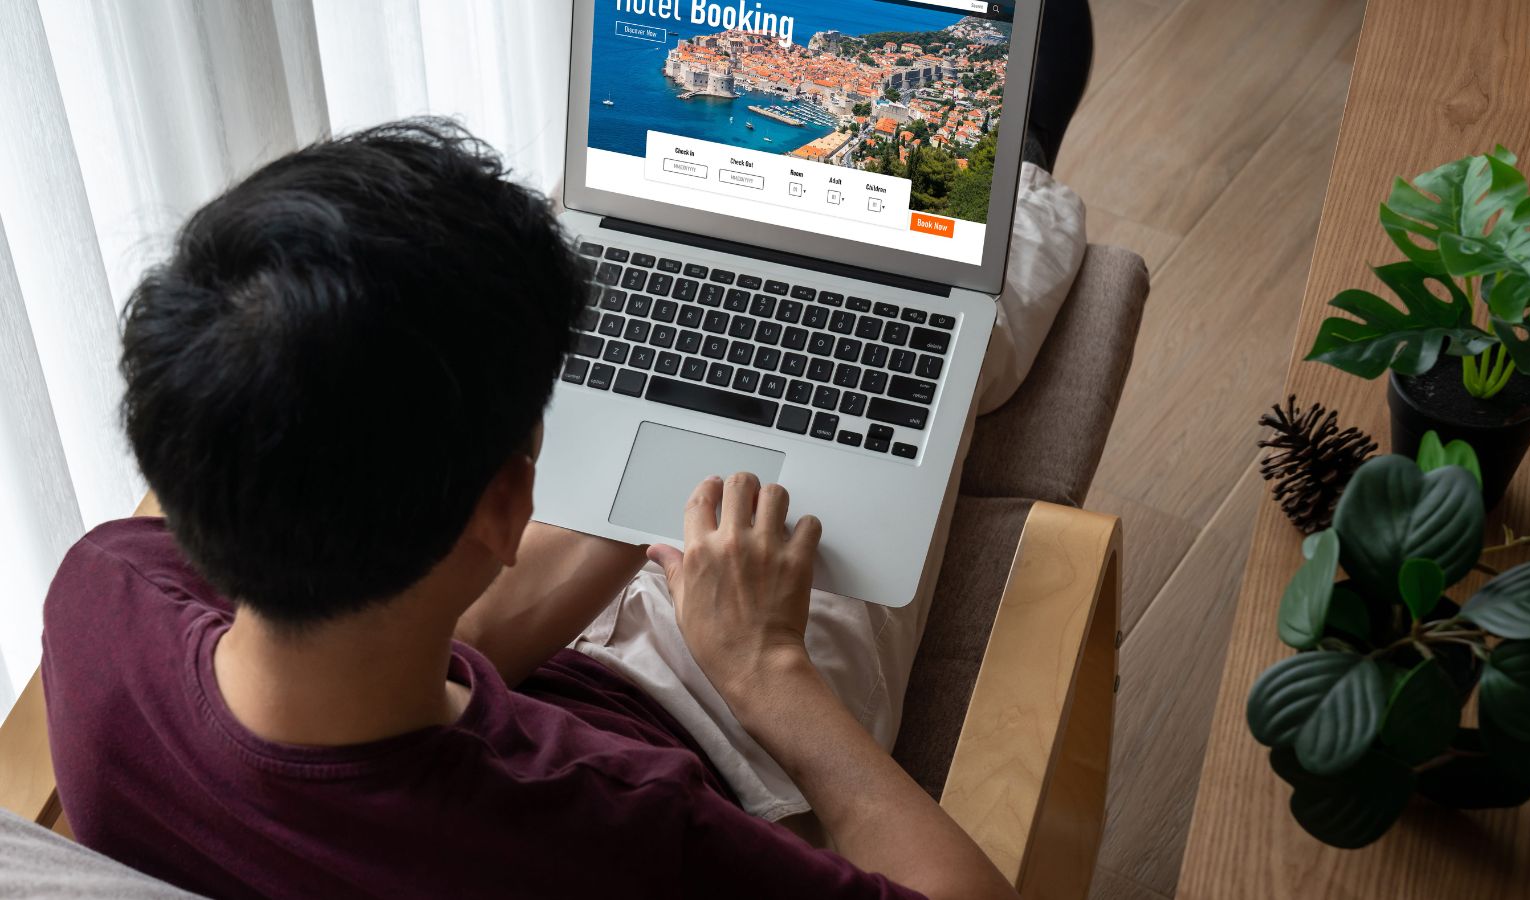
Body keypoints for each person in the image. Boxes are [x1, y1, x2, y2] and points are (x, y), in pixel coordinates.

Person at [41, 6, 1094, 897]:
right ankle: (1027, 161)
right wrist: (769, 672)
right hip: (702, 709)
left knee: (617, 232)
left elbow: (410, 672)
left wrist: (620, 505)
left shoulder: (101, 601)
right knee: (957, 315)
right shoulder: (615, 828)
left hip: (471, 646)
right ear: (505, 508)